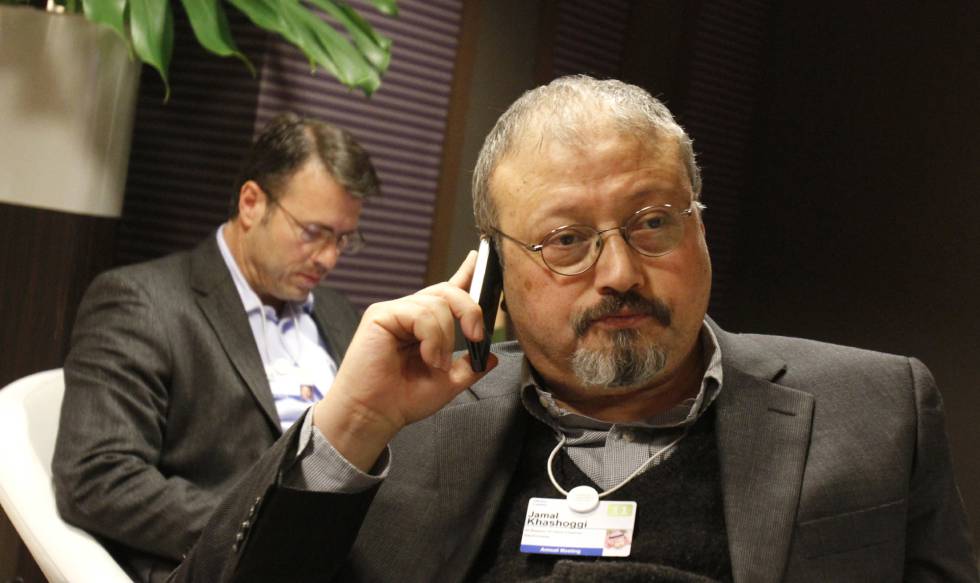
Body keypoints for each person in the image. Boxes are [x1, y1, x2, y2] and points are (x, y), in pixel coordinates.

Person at [172, 77, 978, 582]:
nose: (620, 271)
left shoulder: (875, 408)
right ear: (492, 271)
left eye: (653, 222)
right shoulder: (408, 430)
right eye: (565, 240)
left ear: (700, 229)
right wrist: (349, 426)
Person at [52, 113, 380, 582]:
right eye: (313, 232)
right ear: (251, 203)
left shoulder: (337, 312)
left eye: (343, 239)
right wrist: (269, 533)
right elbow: (96, 478)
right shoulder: (143, 302)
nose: (328, 258)